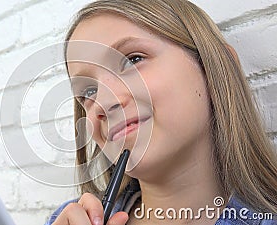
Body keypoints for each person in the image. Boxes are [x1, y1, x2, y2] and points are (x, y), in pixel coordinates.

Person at [45, 0, 277, 224]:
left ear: (217, 67)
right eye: (89, 91)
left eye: (133, 60)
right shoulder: (66, 220)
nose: (103, 103)